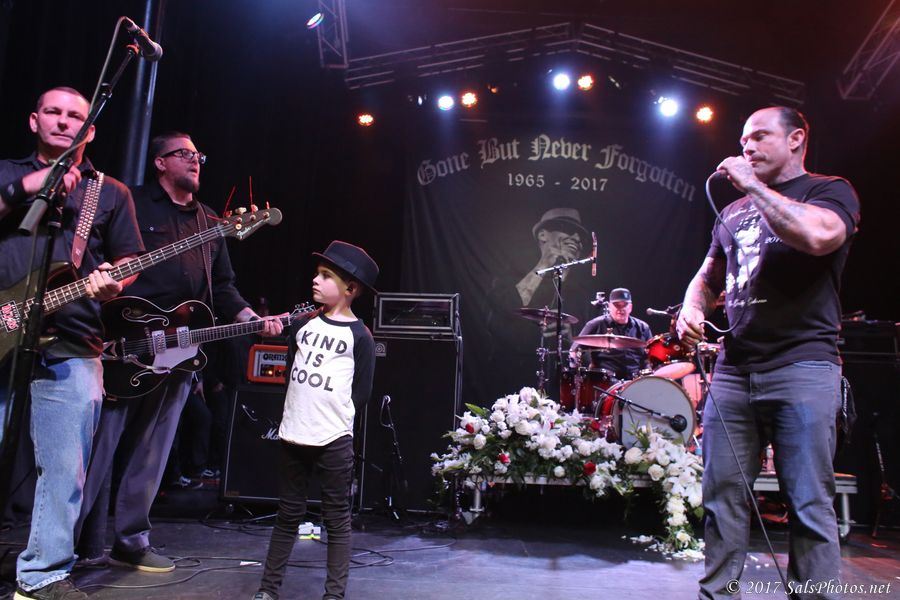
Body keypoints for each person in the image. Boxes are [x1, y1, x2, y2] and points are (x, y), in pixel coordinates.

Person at [74, 131, 283, 572]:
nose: (195, 161)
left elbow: (223, 286)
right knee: (95, 448)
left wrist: (251, 317)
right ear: (160, 162)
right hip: (123, 344)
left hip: (179, 352)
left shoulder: (209, 221)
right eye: (184, 154)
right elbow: (100, 260)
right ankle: (66, 543)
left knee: (153, 452)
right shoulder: (132, 203)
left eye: (198, 155)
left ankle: (131, 541)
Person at [675, 106, 860, 599]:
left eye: (759, 137)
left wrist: (753, 186)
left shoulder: (828, 191)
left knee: (808, 502)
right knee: (722, 497)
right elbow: (709, 275)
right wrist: (692, 307)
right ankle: (719, 594)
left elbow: (819, 237)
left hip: (803, 364)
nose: (747, 147)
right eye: (743, 140)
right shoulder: (733, 212)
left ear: (796, 138)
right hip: (735, 369)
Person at [0, 87, 143, 600]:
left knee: (65, 467)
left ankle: (43, 574)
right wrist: (31, 185)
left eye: (75, 116)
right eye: (54, 113)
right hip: (1, 331)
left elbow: (129, 260)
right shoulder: (7, 173)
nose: (64, 122)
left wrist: (114, 281)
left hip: (73, 340)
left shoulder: (111, 193)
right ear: (34, 120)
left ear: (91, 129)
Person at [253, 240, 378, 600]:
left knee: (336, 519)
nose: (316, 280)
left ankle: (333, 594)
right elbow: (290, 373)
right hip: (294, 434)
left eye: (326, 276)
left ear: (349, 289)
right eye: (317, 274)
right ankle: (268, 590)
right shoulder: (302, 325)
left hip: (333, 439)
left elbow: (361, 392)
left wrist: (335, 420)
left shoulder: (360, 337)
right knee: (287, 515)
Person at [569, 288, 652, 381]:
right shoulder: (595, 324)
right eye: (617, 305)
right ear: (609, 306)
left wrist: (648, 373)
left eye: (624, 305)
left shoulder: (643, 327)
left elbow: (650, 357)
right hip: (605, 382)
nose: (620, 309)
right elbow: (574, 351)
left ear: (630, 307)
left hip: (636, 381)